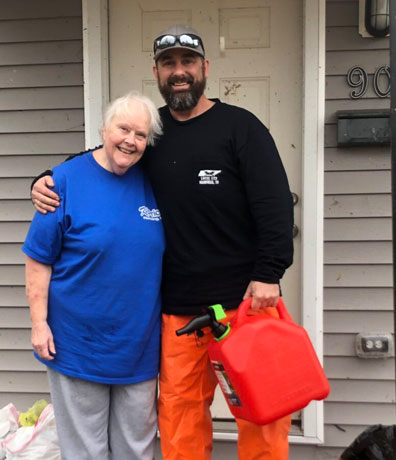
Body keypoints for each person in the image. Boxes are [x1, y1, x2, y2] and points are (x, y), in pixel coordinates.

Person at [31, 25, 294, 460]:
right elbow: (101, 160)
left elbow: (275, 205)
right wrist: (43, 179)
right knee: (179, 422)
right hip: (178, 312)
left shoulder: (241, 128)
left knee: (262, 417)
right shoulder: (150, 134)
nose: (179, 72)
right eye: (168, 64)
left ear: (204, 68)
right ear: (156, 72)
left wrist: (269, 273)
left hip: (247, 304)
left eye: (187, 62)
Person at [23, 91, 165, 460]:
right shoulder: (64, 182)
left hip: (140, 346)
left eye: (140, 135)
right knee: (85, 451)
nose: (130, 141)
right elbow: (38, 259)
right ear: (104, 128)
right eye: (123, 129)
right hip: (77, 344)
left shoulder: (155, 182)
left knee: (137, 449)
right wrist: (39, 324)